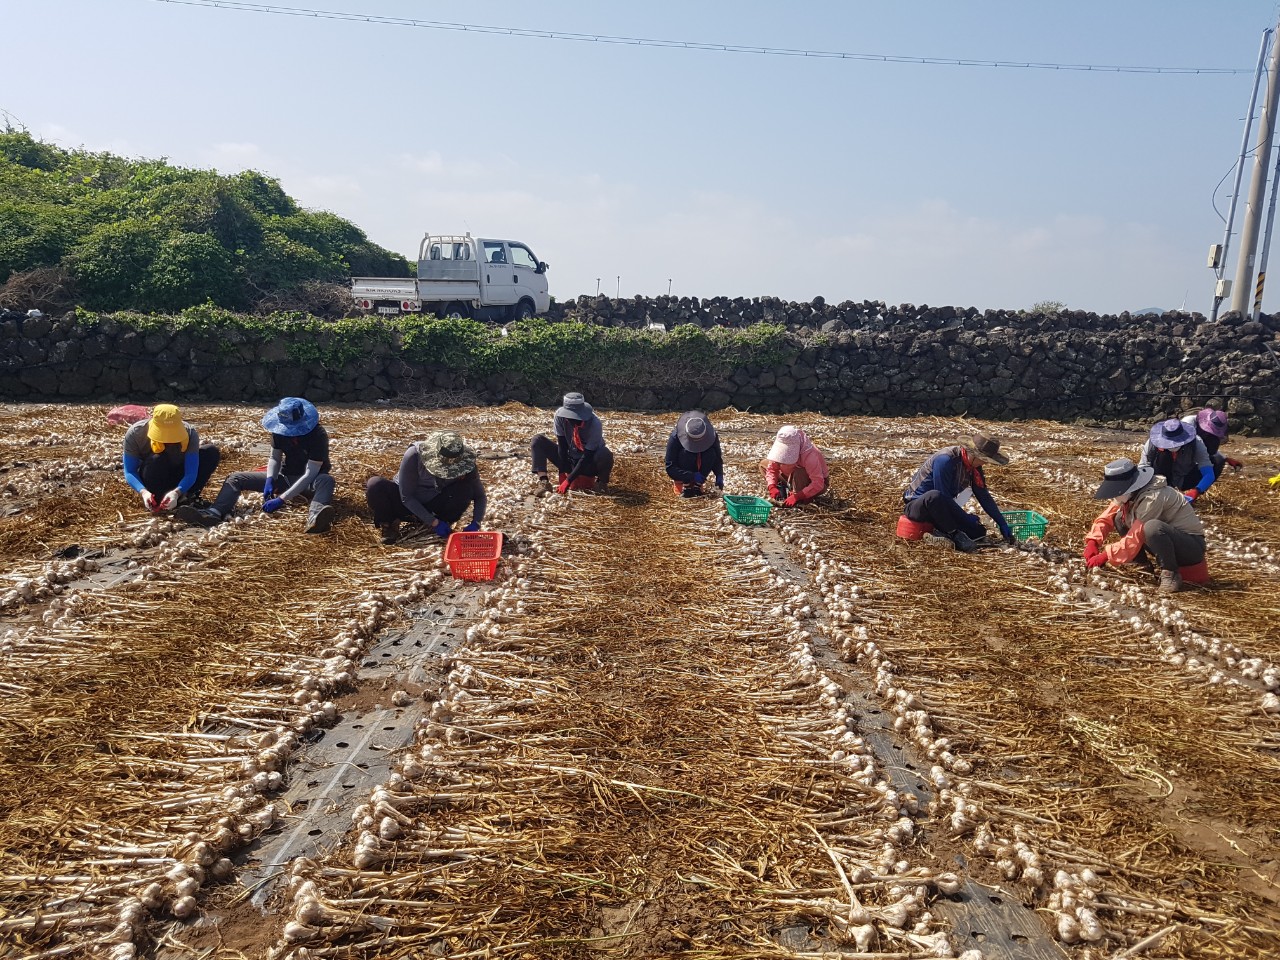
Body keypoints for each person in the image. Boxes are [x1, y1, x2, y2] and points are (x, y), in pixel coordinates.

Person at [178, 398, 335, 534]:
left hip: (310, 482)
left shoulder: (317, 435)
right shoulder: (279, 432)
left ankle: (315, 517)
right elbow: (275, 458)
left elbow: (311, 472)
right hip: (286, 477)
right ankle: (213, 513)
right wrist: (270, 479)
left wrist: (282, 499)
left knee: (326, 480)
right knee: (236, 478)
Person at [1083, 457, 1206, 594]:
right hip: (1168, 542)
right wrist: (1093, 541)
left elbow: (1134, 537)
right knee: (1119, 517)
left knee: (1152, 527)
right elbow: (1107, 516)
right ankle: (1141, 564)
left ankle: (1170, 573)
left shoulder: (1153, 497)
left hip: (1191, 547)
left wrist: (1106, 555)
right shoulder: (1130, 494)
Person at [901, 432, 1015, 552]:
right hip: (920, 506)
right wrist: (964, 517)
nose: (984, 463)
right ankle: (952, 534)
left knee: (979, 531)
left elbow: (983, 494)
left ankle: (941, 535)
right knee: (934, 496)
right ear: (973, 453)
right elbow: (942, 497)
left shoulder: (974, 466)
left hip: (943, 509)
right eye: (983, 459)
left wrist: (1001, 522)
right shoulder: (945, 460)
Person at [366, 431, 486, 545]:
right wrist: (434, 522)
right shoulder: (415, 455)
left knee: (466, 488)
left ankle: (444, 524)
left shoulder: (466, 464)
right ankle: (390, 524)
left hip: (436, 504)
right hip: (406, 506)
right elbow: (406, 497)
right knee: (375, 485)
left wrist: (476, 523)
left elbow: (480, 496)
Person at [121, 403, 220, 514]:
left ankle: (187, 496)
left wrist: (177, 492)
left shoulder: (190, 433)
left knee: (210, 452)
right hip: (153, 475)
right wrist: (143, 492)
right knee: (157, 459)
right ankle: (157, 499)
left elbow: (191, 472)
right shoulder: (135, 434)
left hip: (179, 474)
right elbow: (130, 471)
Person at [530, 392, 614, 494]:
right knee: (538, 440)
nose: (574, 420)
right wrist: (562, 471)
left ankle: (601, 484)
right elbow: (562, 446)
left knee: (605, 454)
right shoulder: (560, 417)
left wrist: (568, 480)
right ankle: (544, 482)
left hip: (589, 463)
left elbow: (587, 456)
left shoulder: (594, 424)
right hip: (571, 458)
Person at [1138, 418, 1215, 505]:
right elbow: (1142, 469)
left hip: (1183, 478)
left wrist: (1196, 491)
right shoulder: (1153, 443)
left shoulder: (1196, 443)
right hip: (1159, 480)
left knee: (1216, 461)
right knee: (1164, 456)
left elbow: (1208, 474)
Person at [761, 425, 829, 507]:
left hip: (815, 483)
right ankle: (783, 489)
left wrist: (798, 496)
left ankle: (800, 496)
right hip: (790, 475)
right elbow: (772, 469)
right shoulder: (780, 446)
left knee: (799, 471)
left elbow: (818, 483)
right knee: (763, 464)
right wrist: (772, 486)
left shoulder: (810, 455)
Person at [665, 410, 724, 497]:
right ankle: (686, 486)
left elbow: (717, 458)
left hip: (701, 464)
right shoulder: (675, 437)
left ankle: (698, 485)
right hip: (684, 466)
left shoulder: (712, 436)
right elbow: (670, 467)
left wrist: (719, 475)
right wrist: (690, 476)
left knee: (711, 453)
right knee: (685, 453)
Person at [1180, 408, 1242, 478]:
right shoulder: (1188, 425)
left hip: (1196, 455)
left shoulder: (1207, 436)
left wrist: (1225, 459)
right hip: (1181, 455)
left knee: (1218, 460)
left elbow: (1206, 449)